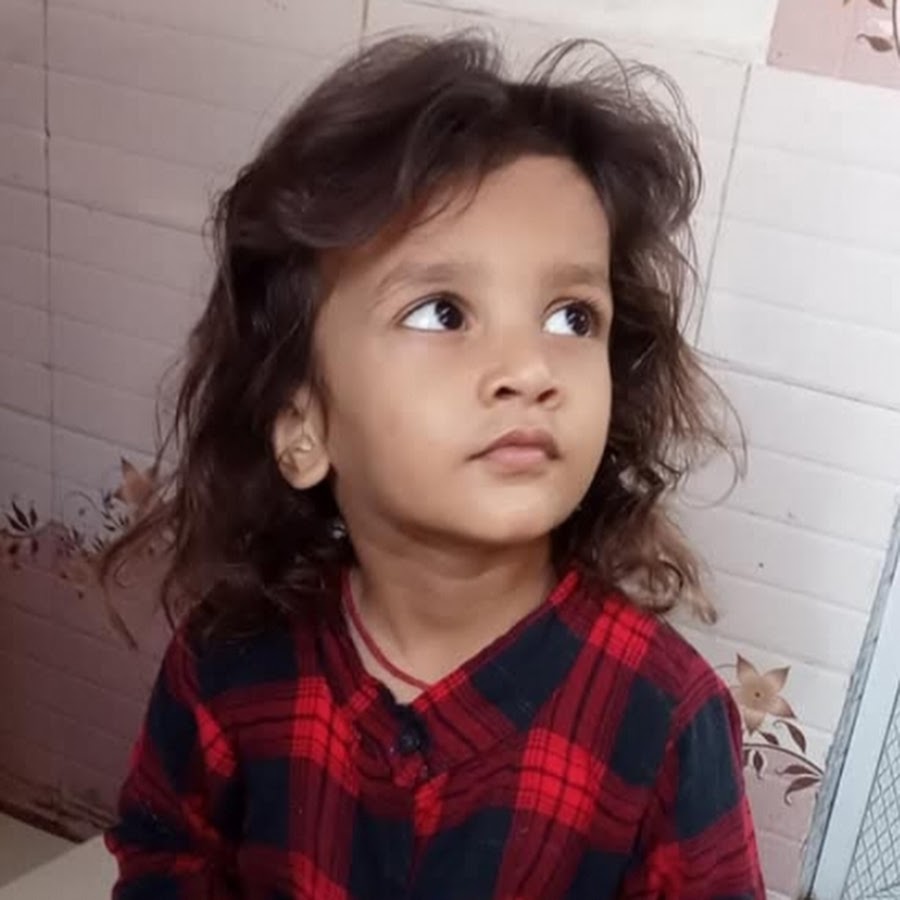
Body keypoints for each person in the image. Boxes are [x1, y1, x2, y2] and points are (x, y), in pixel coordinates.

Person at [103, 32, 764, 899]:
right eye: (443, 312)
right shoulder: (229, 661)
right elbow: (166, 861)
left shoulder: (665, 721)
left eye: (572, 317)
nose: (530, 369)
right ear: (302, 427)